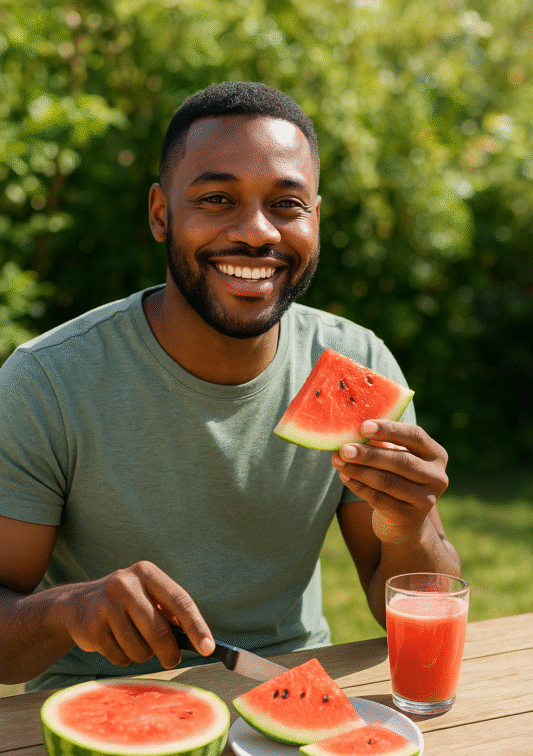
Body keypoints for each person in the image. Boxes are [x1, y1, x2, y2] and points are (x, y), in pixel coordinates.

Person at [0, 82, 460, 692]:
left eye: (287, 204)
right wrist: (67, 610)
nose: (257, 232)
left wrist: (411, 527)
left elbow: (408, 602)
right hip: (98, 703)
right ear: (161, 214)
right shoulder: (46, 382)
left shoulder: (358, 362)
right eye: (217, 199)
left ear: (315, 218)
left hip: (287, 688)